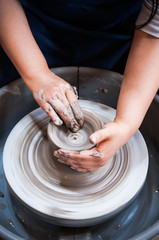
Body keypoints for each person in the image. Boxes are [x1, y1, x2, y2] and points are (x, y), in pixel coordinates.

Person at [0, 0, 159, 172]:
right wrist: (37, 74)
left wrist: (126, 123)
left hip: (125, 27)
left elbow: (153, 34)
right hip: (31, 24)